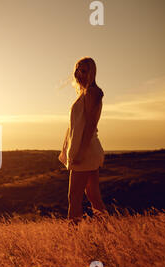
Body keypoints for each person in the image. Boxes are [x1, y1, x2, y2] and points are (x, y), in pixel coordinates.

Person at [58, 57, 107, 223]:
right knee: (93, 196)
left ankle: (73, 239)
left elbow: (90, 126)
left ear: (92, 73)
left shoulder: (92, 92)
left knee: (74, 198)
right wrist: (65, 148)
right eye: (78, 70)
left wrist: (80, 152)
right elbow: (75, 126)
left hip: (86, 150)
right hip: (87, 150)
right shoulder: (83, 93)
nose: (79, 73)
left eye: (84, 70)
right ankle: (109, 233)